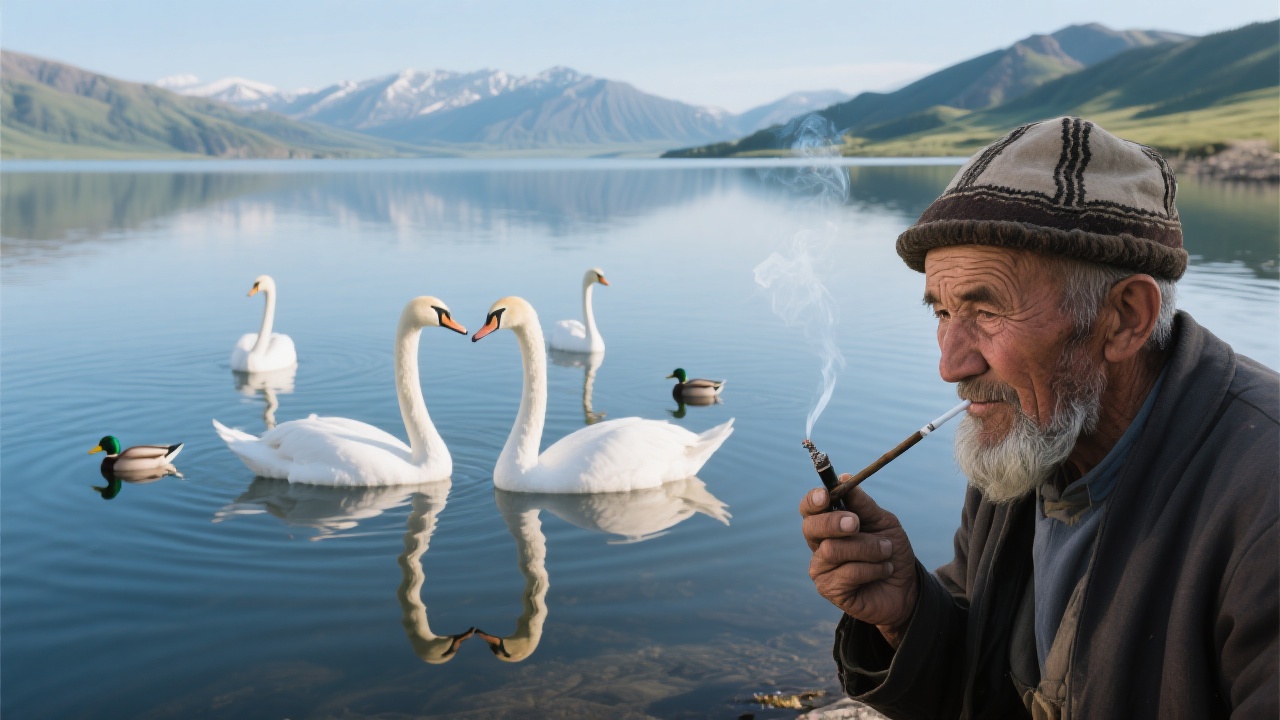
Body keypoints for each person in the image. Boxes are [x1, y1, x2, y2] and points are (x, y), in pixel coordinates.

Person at [800, 117, 1278, 719]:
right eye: (942, 312)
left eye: (987, 309)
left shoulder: (1263, 500)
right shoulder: (1029, 445)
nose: (951, 364)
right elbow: (984, 694)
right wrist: (906, 614)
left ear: (1126, 317)